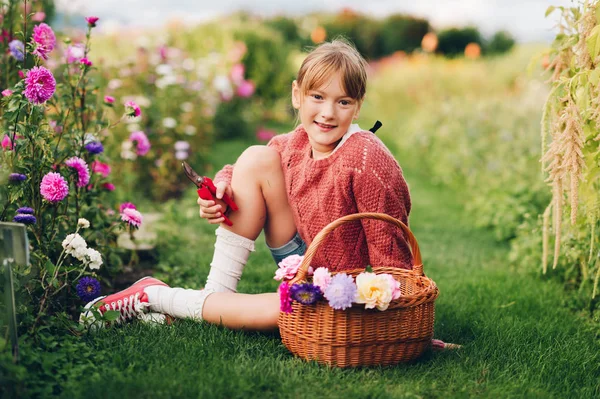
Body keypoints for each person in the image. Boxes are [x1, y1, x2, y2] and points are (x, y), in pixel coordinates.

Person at [80, 39, 413, 331]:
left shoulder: (366, 157)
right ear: (297, 95)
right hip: (300, 257)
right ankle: (206, 294)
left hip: (340, 283)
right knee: (256, 157)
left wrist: (407, 323)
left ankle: (164, 300)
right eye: (317, 96)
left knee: (291, 309)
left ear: (357, 107)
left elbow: (390, 245)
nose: (327, 112)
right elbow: (238, 168)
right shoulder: (296, 142)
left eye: (342, 102)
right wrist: (222, 189)